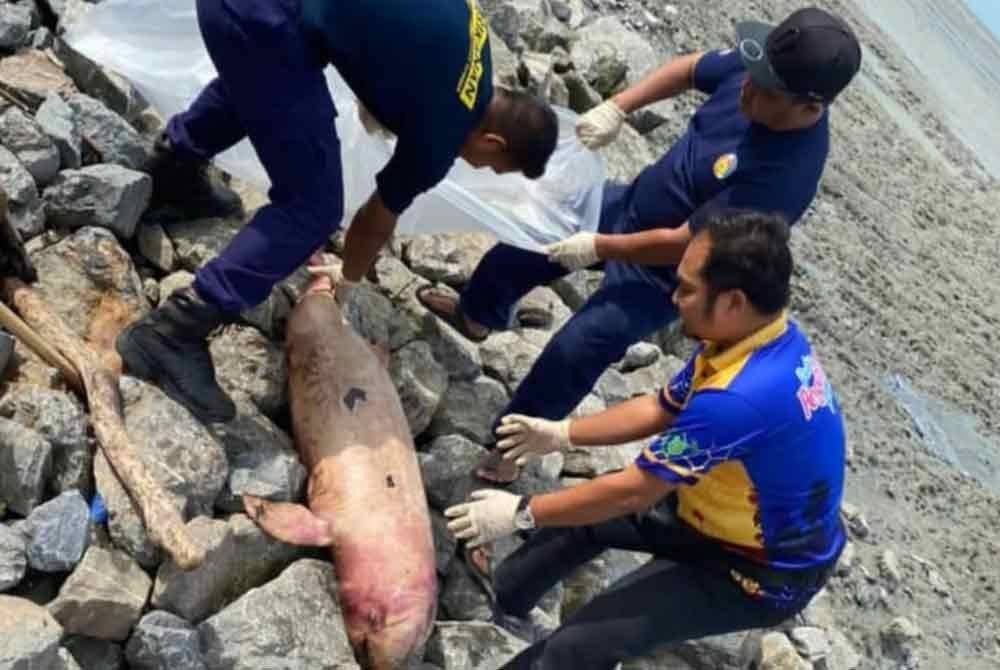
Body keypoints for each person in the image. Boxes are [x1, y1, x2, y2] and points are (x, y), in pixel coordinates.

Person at [419, 6, 861, 483]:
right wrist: (618, 107)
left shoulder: (786, 177)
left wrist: (600, 247)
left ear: (808, 108)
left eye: (765, 90)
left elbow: (686, 244)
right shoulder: (762, 68)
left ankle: (509, 449)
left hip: (670, 271)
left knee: (579, 348)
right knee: (532, 234)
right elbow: (690, 69)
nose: (747, 89)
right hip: (637, 200)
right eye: (752, 75)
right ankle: (478, 313)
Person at [116, 0, 559, 423]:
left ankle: (173, 171)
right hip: (261, 20)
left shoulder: (475, 40)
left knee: (267, 79)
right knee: (314, 208)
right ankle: (174, 330)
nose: (475, 166)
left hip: (249, 13)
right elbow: (373, 220)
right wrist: (345, 284)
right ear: (493, 142)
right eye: (489, 164)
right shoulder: (444, 133)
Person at [444, 209, 846, 670]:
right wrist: (560, 434)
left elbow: (635, 491)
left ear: (733, 301)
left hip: (756, 568)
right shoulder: (751, 335)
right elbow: (662, 406)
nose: (675, 298)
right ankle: (498, 599)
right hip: (712, 506)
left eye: (688, 289)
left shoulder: (741, 397)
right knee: (581, 518)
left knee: (579, 645)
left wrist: (520, 513)